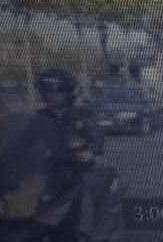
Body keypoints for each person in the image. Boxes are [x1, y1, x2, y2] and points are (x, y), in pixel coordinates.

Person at [33, 67, 121, 241]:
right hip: (47, 171)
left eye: (57, 90)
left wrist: (91, 150)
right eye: (47, 90)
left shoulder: (81, 115)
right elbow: (23, 141)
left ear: (68, 92)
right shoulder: (39, 117)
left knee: (92, 187)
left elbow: (96, 137)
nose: (52, 95)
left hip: (76, 169)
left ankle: (94, 232)